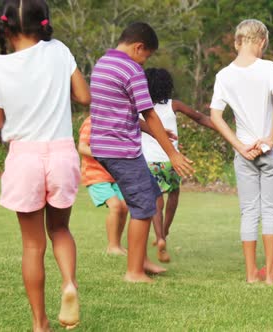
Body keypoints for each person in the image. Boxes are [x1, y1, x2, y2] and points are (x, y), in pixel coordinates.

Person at [0, 1, 91, 330]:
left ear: (5, 28)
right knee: (60, 229)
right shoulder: (59, 51)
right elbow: (84, 96)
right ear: (43, 24)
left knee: (33, 245)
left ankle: (39, 323)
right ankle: (69, 284)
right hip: (62, 153)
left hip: (25, 157)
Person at [89, 22, 194, 283]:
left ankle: (142, 260)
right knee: (143, 204)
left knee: (152, 195)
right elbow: (150, 113)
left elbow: (120, 113)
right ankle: (134, 271)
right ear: (138, 47)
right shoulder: (131, 69)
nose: (145, 61)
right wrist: (173, 154)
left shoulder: (103, 64)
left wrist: (149, 131)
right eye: (146, 55)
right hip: (121, 149)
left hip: (105, 145)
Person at [210, 19, 273, 285]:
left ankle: (252, 274)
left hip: (244, 153)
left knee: (249, 211)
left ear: (236, 42)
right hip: (269, 150)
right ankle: (271, 274)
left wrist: (239, 145)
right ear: (262, 41)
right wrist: (270, 138)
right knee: (271, 211)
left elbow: (216, 116)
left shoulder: (223, 75)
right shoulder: (269, 68)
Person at [142, 68, 215, 263]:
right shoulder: (174, 105)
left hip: (148, 161)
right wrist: (222, 128)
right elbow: (200, 118)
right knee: (173, 194)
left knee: (156, 200)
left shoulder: (140, 107)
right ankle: (165, 231)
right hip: (172, 160)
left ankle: (159, 237)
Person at [78, 117, 128, 256]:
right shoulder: (91, 122)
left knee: (124, 206)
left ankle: (117, 244)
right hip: (95, 175)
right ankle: (112, 246)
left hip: (114, 174)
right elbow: (82, 147)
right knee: (116, 206)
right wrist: (104, 153)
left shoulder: (115, 123)